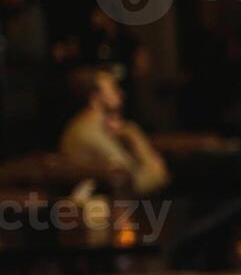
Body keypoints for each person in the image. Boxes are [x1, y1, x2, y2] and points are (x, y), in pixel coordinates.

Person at [58, 65, 170, 195]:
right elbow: (130, 182)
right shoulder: (88, 132)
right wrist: (133, 135)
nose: (121, 93)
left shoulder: (95, 127)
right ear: (95, 98)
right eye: (113, 88)